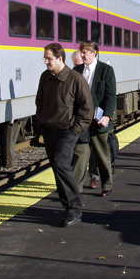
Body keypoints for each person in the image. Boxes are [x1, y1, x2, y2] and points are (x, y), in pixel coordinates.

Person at [36, 43, 93, 226]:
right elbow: (40, 102)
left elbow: (87, 109)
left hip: (67, 131)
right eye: (45, 58)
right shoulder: (45, 77)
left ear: (60, 58)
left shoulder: (76, 79)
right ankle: (67, 207)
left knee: (61, 165)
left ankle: (75, 209)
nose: (45, 62)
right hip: (50, 130)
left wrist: (75, 130)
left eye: (49, 58)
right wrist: (42, 123)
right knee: (57, 168)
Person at [71, 41, 117, 197]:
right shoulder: (76, 70)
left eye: (85, 52)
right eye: (81, 52)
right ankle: (77, 189)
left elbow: (111, 96)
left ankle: (107, 185)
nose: (82, 55)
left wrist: (107, 116)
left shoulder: (106, 70)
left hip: (99, 120)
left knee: (101, 153)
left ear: (94, 53)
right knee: (80, 154)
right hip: (81, 120)